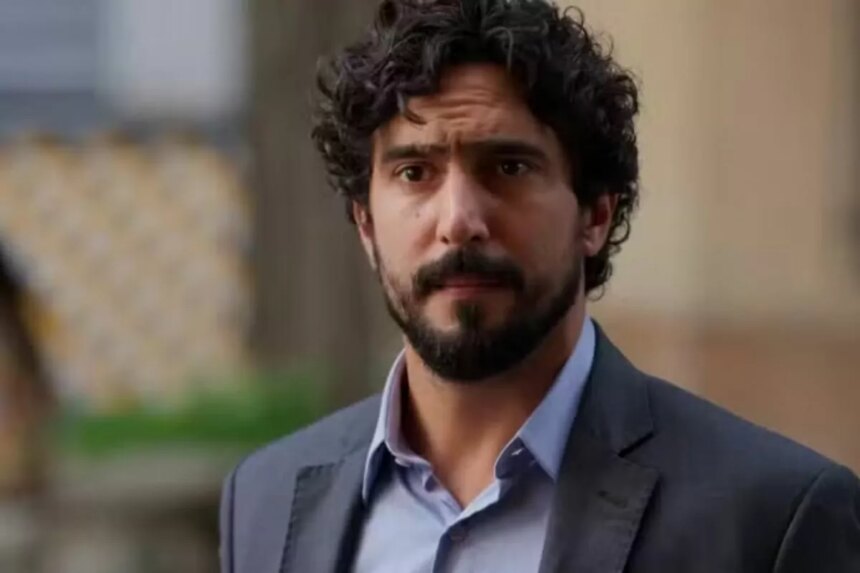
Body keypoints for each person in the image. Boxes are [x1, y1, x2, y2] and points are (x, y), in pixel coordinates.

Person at [219, 1, 860, 571]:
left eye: (508, 166)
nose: (458, 221)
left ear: (595, 215)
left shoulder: (772, 519)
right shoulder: (266, 499)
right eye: (415, 172)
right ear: (365, 222)